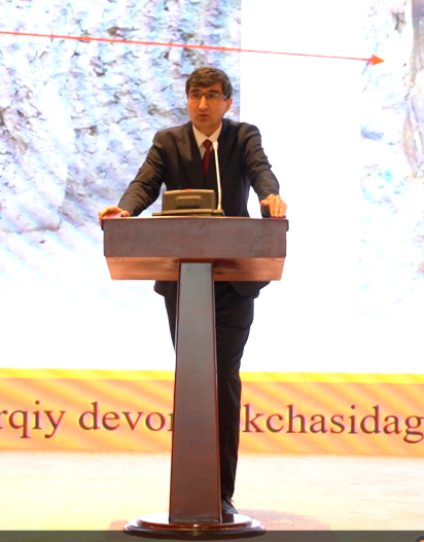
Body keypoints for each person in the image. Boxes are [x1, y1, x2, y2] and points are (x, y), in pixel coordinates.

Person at [98, 67, 287, 514]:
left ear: (227, 102)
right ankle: (191, 491)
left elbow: (262, 173)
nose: (203, 104)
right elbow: (145, 182)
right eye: (196, 95)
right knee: (195, 381)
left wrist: (271, 198)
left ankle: (220, 494)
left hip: (234, 278)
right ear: (187, 99)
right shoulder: (168, 141)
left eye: (212, 96)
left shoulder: (242, 137)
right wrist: (125, 211)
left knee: (222, 379)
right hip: (184, 280)